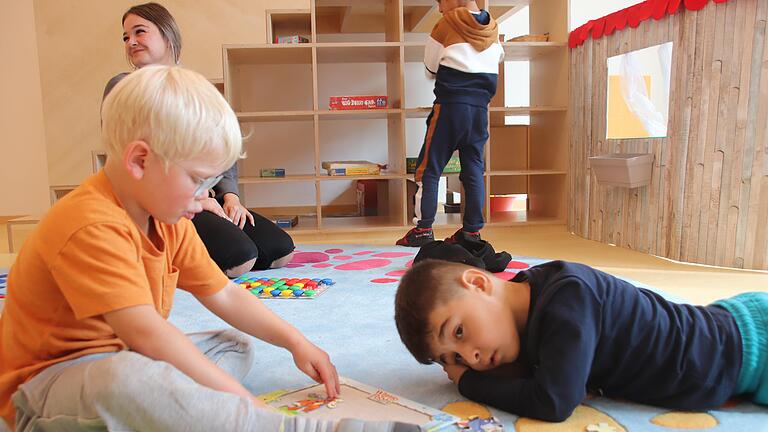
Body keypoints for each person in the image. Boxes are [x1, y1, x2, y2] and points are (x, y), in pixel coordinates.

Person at [0, 65, 416, 432]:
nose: (205, 198)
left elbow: (223, 293)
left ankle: (179, 407)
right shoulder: (89, 222)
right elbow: (146, 333)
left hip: (125, 357)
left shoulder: (168, 217)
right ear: (140, 161)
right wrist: (246, 405)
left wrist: (295, 342)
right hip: (45, 389)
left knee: (232, 344)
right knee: (129, 379)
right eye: (199, 181)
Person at [394, 259, 768, 422]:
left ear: (478, 283)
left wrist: (468, 383)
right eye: (454, 359)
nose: (471, 357)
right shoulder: (526, 301)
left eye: (458, 332)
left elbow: (554, 401)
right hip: (724, 324)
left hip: (745, 351)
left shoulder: (568, 300)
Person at [105, 2, 294, 278]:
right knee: (240, 258)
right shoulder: (123, 87)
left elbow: (220, 150)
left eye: (139, 32)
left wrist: (230, 198)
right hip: (163, 199)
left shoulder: (194, 87)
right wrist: (193, 197)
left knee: (280, 251)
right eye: (125, 37)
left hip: (206, 192)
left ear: (167, 35)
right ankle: (155, 256)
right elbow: (137, 159)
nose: (131, 41)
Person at [396, 0, 504, 247]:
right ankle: (472, 232)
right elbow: (497, 58)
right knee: (473, 169)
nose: (439, 8)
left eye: (440, 2)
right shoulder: (493, 29)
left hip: (450, 107)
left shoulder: (445, 24)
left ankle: (423, 229)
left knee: (429, 168)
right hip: (480, 111)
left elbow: (431, 67)